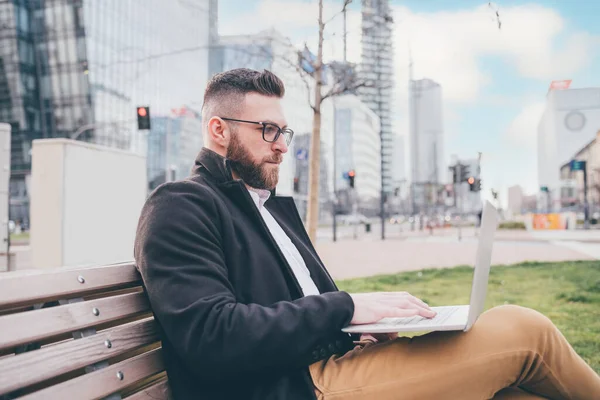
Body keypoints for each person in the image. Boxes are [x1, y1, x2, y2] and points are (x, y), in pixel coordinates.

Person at [134, 68, 600, 400]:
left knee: (516, 393)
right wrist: (349, 306)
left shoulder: (265, 210)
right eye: (267, 130)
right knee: (524, 329)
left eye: (285, 131)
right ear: (218, 130)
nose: (280, 145)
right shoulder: (180, 205)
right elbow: (213, 337)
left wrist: (357, 331)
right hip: (293, 388)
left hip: (327, 368)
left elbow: (291, 313)